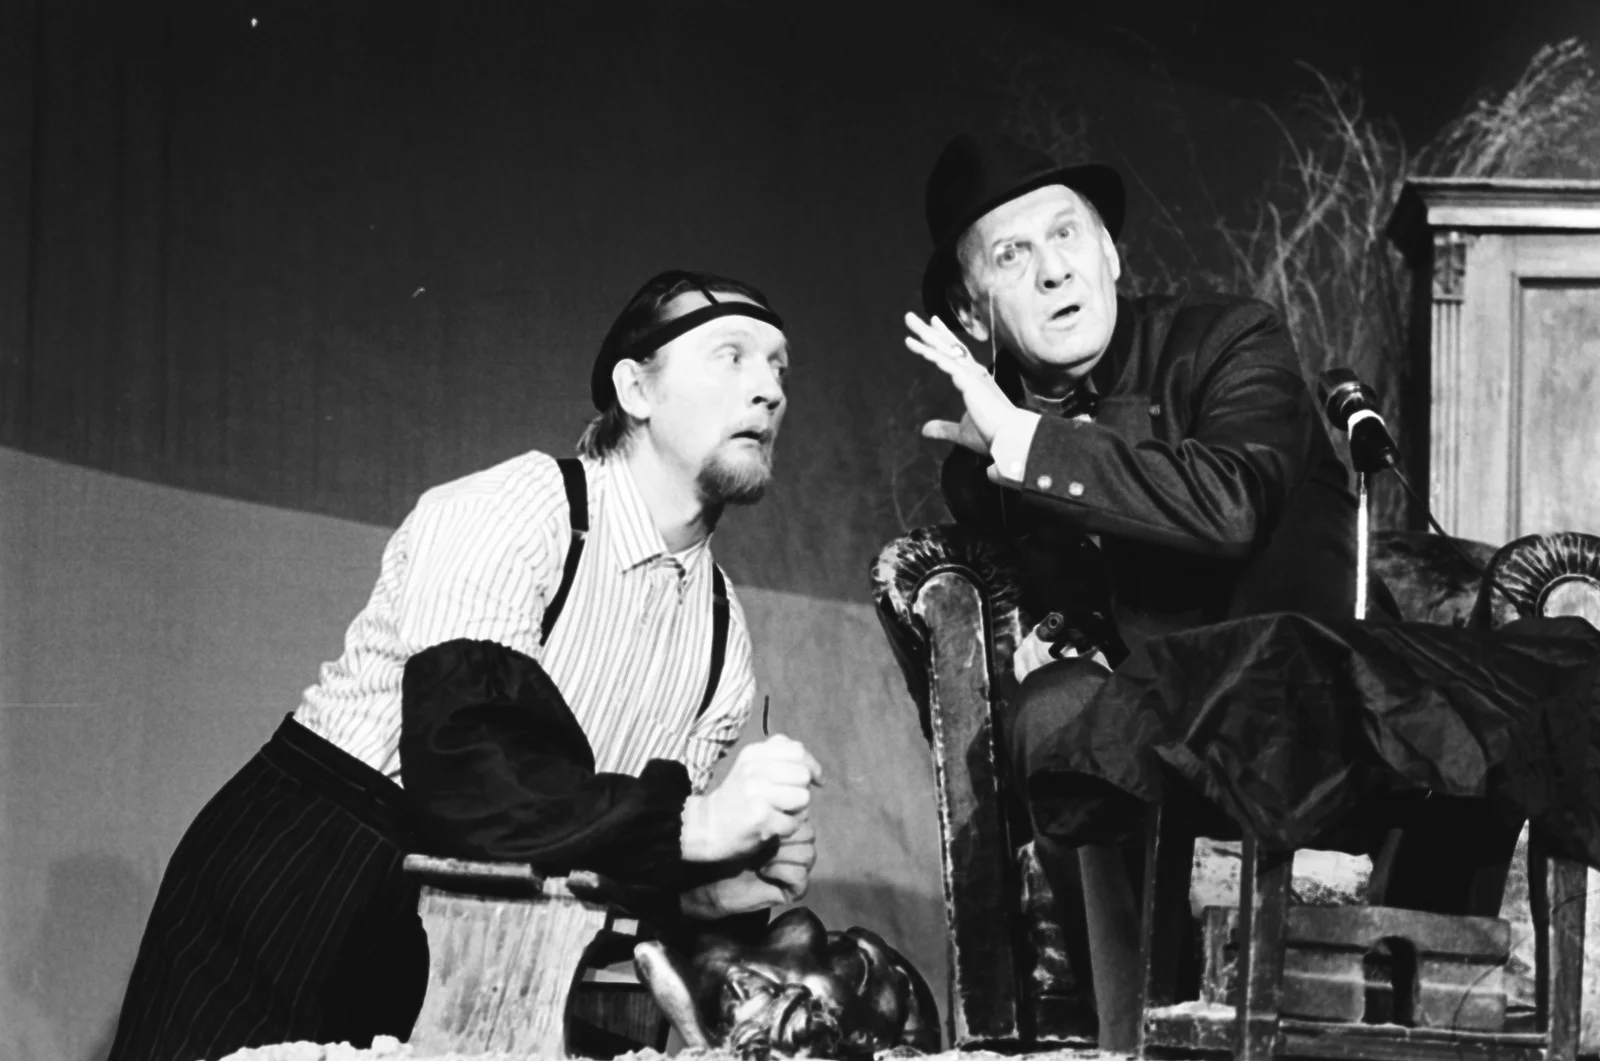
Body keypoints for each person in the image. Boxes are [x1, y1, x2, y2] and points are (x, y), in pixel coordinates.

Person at [109, 269, 824, 1061]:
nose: (768, 390)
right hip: (305, 885)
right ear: (637, 390)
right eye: (732, 355)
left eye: (779, 366)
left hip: (471, 943)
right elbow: (472, 776)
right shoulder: (518, 509)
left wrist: (704, 891)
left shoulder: (724, 631)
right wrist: (697, 826)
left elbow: (581, 839)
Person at [902, 133, 1363, 1048]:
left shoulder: (1232, 339)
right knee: (1057, 711)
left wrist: (1031, 447)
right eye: (1011, 255)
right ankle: (1133, 1036)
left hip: (1289, 721)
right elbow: (1085, 603)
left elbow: (1231, 504)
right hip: (1138, 749)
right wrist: (1058, 630)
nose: (1053, 270)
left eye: (1067, 234)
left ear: (1110, 252)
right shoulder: (980, 463)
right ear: (969, 308)